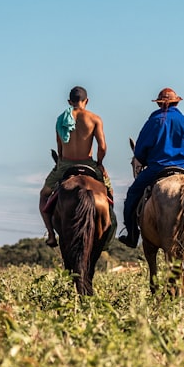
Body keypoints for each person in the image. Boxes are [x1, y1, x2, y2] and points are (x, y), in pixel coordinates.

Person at [118, 87, 184, 248]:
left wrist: (146, 159)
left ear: (159, 105)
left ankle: (132, 234)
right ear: (176, 103)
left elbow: (139, 151)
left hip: (157, 168)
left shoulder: (153, 122)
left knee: (132, 195)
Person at [39, 86, 113, 247]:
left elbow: (59, 145)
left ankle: (51, 235)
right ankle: (108, 232)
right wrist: (99, 164)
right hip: (88, 162)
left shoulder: (61, 119)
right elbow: (102, 147)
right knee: (109, 192)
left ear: (69, 101)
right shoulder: (95, 119)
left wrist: (60, 161)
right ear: (86, 101)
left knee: (44, 195)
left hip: (65, 164)